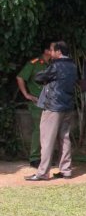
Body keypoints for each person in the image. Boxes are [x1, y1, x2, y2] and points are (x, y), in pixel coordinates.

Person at [25, 41, 77, 181]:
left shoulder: (56, 65)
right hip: (67, 106)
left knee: (47, 140)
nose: (51, 52)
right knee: (64, 139)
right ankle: (66, 170)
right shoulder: (73, 65)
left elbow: (39, 77)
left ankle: (42, 172)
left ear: (59, 52)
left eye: (53, 50)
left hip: (53, 107)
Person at [16, 40, 53, 168]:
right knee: (39, 129)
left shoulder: (54, 64)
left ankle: (45, 157)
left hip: (51, 102)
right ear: (47, 51)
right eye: (53, 48)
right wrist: (26, 94)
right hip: (37, 102)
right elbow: (20, 77)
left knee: (49, 130)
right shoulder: (34, 63)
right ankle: (35, 158)